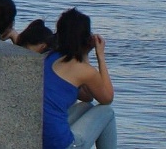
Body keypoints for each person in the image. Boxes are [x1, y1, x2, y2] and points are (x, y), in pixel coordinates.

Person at [43, 8, 117, 149]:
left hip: (42, 140)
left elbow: (87, 97)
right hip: (63, 146)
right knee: (107, 112)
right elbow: (107, 98)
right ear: (86, 38)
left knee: (86, 107)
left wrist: (83, 54)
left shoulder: (50, 58)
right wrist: (100, 56)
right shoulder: (84, 71)